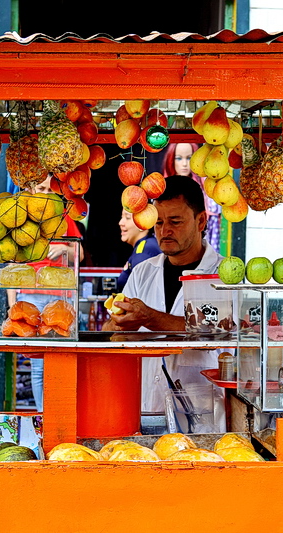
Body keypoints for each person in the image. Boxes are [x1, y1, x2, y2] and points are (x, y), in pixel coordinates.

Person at [103, 175, 224, 416]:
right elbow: (112, 333)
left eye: (175, 221)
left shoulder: (223, 276)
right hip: (145, 407)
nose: (165, 230)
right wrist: (120, 324)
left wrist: (149, 318)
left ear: (201, 221)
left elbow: (215, 332)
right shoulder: (142, 272)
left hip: (204, 413)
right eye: (158, 223)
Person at [8, 174, 84, 411]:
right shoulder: (22, 220)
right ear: (29, 188)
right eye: (40, 188)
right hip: (30, 297)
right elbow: (12, 268)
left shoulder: (62, 217)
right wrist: (12, 306)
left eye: (50, 190)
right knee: (38, 363)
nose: (45, 194)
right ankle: (44, 414)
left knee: (62, 357)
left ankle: (60, 411)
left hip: (61, 296)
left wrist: (64, 248)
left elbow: (78, 255)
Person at [161, 142, 221, 252]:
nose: (184, 164)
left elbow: (213, 229)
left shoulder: (207, 191)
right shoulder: (160, 191)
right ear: (171, 160)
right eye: (179, 158)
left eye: (189, 158)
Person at [117, 209, 161, 292]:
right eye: (121, 217)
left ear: (142, 223)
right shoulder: (145, 245)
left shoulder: (144, 251)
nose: (121, 223)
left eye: (127, 218)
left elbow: (142, 292)